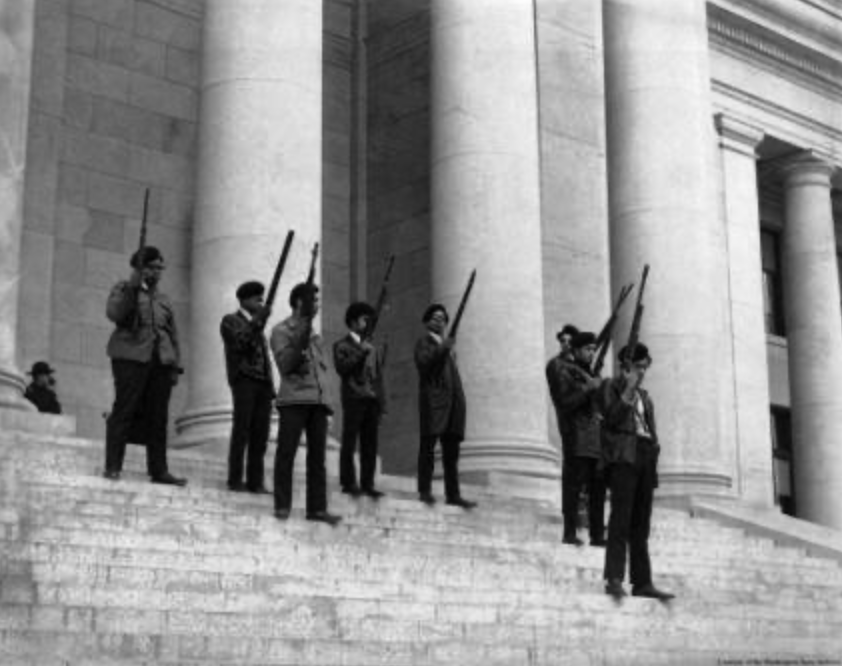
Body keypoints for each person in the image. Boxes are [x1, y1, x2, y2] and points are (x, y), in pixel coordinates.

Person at [103, 246, 186, 486]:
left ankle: (159, 470)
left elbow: (173, 334)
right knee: (124, 410)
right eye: (152, 267)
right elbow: (115, 314)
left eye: (160, 267)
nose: (158, 271)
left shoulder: (163, 299)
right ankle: (113, 465)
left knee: (158, 417)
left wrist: (174, 365)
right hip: (130, 357)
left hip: (160, 361)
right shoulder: (123, 288)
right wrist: (132, 285)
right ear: (140, 268)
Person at [600, 343, 674, 601]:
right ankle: (614, 577)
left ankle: (642, 581)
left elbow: (651, 432)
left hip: (644, 456)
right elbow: (611, 418)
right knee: (621, 518)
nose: (642, 372)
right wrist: (628, 387)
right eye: (638, 367)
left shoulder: (645, 396)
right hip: (624, 457)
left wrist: (653, 455)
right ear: (625, 367)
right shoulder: (610, 386)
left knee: (641, 524)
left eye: (644, 367)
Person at [270, 282, 341, 525]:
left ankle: (317, 509)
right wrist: (298, 343)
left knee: (317, 459)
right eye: (315, 300)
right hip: (294, 400)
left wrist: (328, 404)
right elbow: (286, 365)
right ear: (300, 302)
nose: (318, 305)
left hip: (317, 402)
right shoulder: (282, 330)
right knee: (286, 452)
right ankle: (282, 504)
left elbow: (322, 373)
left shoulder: (315, 336)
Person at [414, 304, 476, 509]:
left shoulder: (447, 348)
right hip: (434, 402)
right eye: (435, 317)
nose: (439, 321)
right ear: (426, 322)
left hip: (453, 403)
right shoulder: (424, 343)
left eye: (443, 318)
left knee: (452, 453)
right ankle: (425, 490)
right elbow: (425, 364)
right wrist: (444, 347)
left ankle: (453, 494)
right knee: (428, 448)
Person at [553, 331, 606, 547]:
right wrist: (589, 388)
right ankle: (569, 532)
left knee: (598, 490)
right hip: (576, 436)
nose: (591, 353)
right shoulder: (565, 371)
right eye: (587, 349)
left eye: (593, 349)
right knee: (573, 488)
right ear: (575, 351)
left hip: (595, 439)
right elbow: (564, 402)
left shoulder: (591, 374)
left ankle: (596, 534)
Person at [220, 281, 274, 493]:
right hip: (244, 380)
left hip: (262, 383)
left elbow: (263, 357)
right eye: (256, 299)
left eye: (261, 299)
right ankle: (235, 479)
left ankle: (255, 481)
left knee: (260, 434)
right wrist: (257, 321)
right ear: (244, 300)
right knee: (242, 430)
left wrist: (270, 385)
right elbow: (240, 343)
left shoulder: (257, 324)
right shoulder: (230, 321)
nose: (260, 302)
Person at [333, 301, 386, 499]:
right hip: (354, 397)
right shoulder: (341, 345)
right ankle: (348, 481)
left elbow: (376, 376)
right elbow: (343, 368)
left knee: (370, 443)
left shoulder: (371, 347)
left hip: (370, 399)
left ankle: (367, 483)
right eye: (365, 319)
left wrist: (382, 402)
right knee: (350, 440)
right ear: (353, 322)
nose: (368, 323)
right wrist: (360, 351)